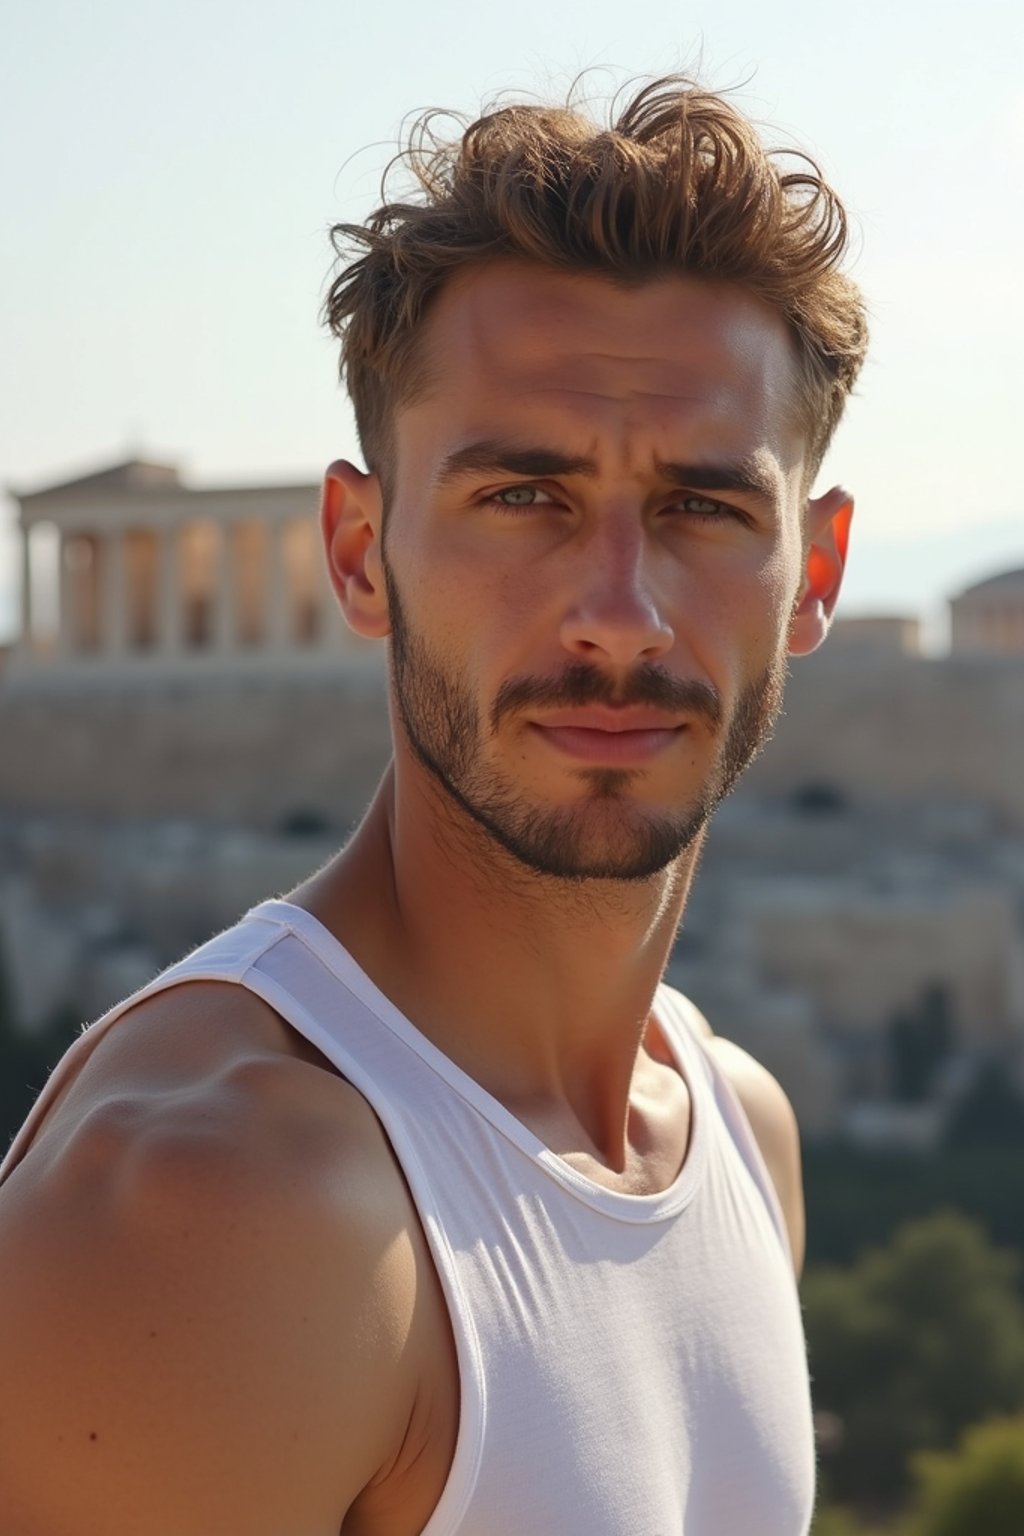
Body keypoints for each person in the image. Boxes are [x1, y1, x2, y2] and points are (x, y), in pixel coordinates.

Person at [0, 76, 867, 1535]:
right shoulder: (217, 1213)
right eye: (522, 498)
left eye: (703, 508)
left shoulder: (736, 1130)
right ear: (357, 552)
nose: (618, 615)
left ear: (817, 576)